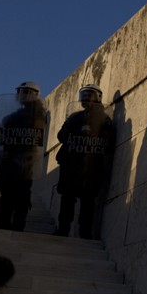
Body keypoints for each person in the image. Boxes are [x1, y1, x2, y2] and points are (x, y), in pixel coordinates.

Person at [54, 84, 115, 239]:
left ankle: (85, 232)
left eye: (90, 95)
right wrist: (68, 132)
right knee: (67, 198)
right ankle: (63, 229)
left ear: (98, 98)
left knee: (88, 201)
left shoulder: (104, 119)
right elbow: (61, 136)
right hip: (72, 166)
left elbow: (107, 143)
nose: (86, 98)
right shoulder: (74, 117)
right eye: (85, 94)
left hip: (91, 166)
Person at [0, 81, 47, 231]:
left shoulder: (37, 114)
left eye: (25, 92)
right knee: (7, 194)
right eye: (20, 92)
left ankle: (17, 225)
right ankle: (2, 223)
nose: (21, 95)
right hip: (10, 160)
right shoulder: (19, 114)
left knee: (21, 195)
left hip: (24, 162)